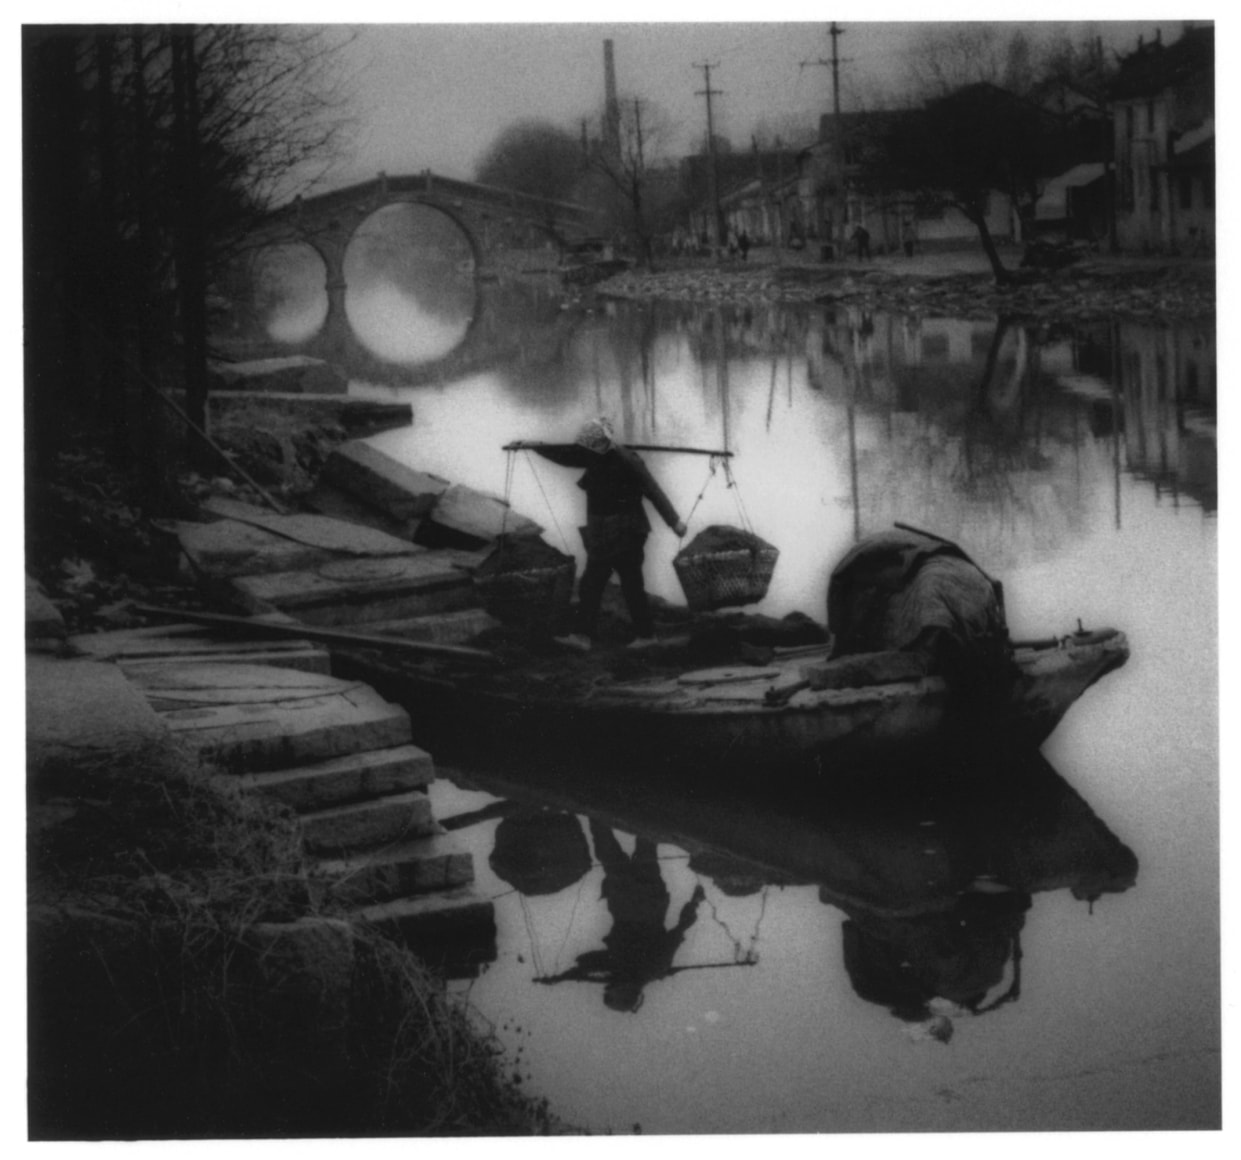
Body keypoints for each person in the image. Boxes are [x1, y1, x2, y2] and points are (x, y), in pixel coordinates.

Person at [515, 418, 687, 651]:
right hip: (603, 532)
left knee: (623, 583)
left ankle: (637, 636)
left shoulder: (627, 460)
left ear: (601, 444)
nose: (585, 453)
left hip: (627, 531)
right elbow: (566, 455)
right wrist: (534, 446)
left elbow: (652, 490)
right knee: (595, 583)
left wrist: (674, 522)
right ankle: (592, 635)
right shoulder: (590, 454)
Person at [535, 820, 707, 1012]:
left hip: (640, 898)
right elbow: (588, 962)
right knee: (623, 849)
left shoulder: (645, 969)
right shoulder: (650, 966)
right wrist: (694, 902)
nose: (611, 983)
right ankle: (604, 809)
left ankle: (609, 810)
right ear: (626, 990)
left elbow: (588, 963)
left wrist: (564, 976)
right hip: (635, 899)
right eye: (613, 987)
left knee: (638, 847)